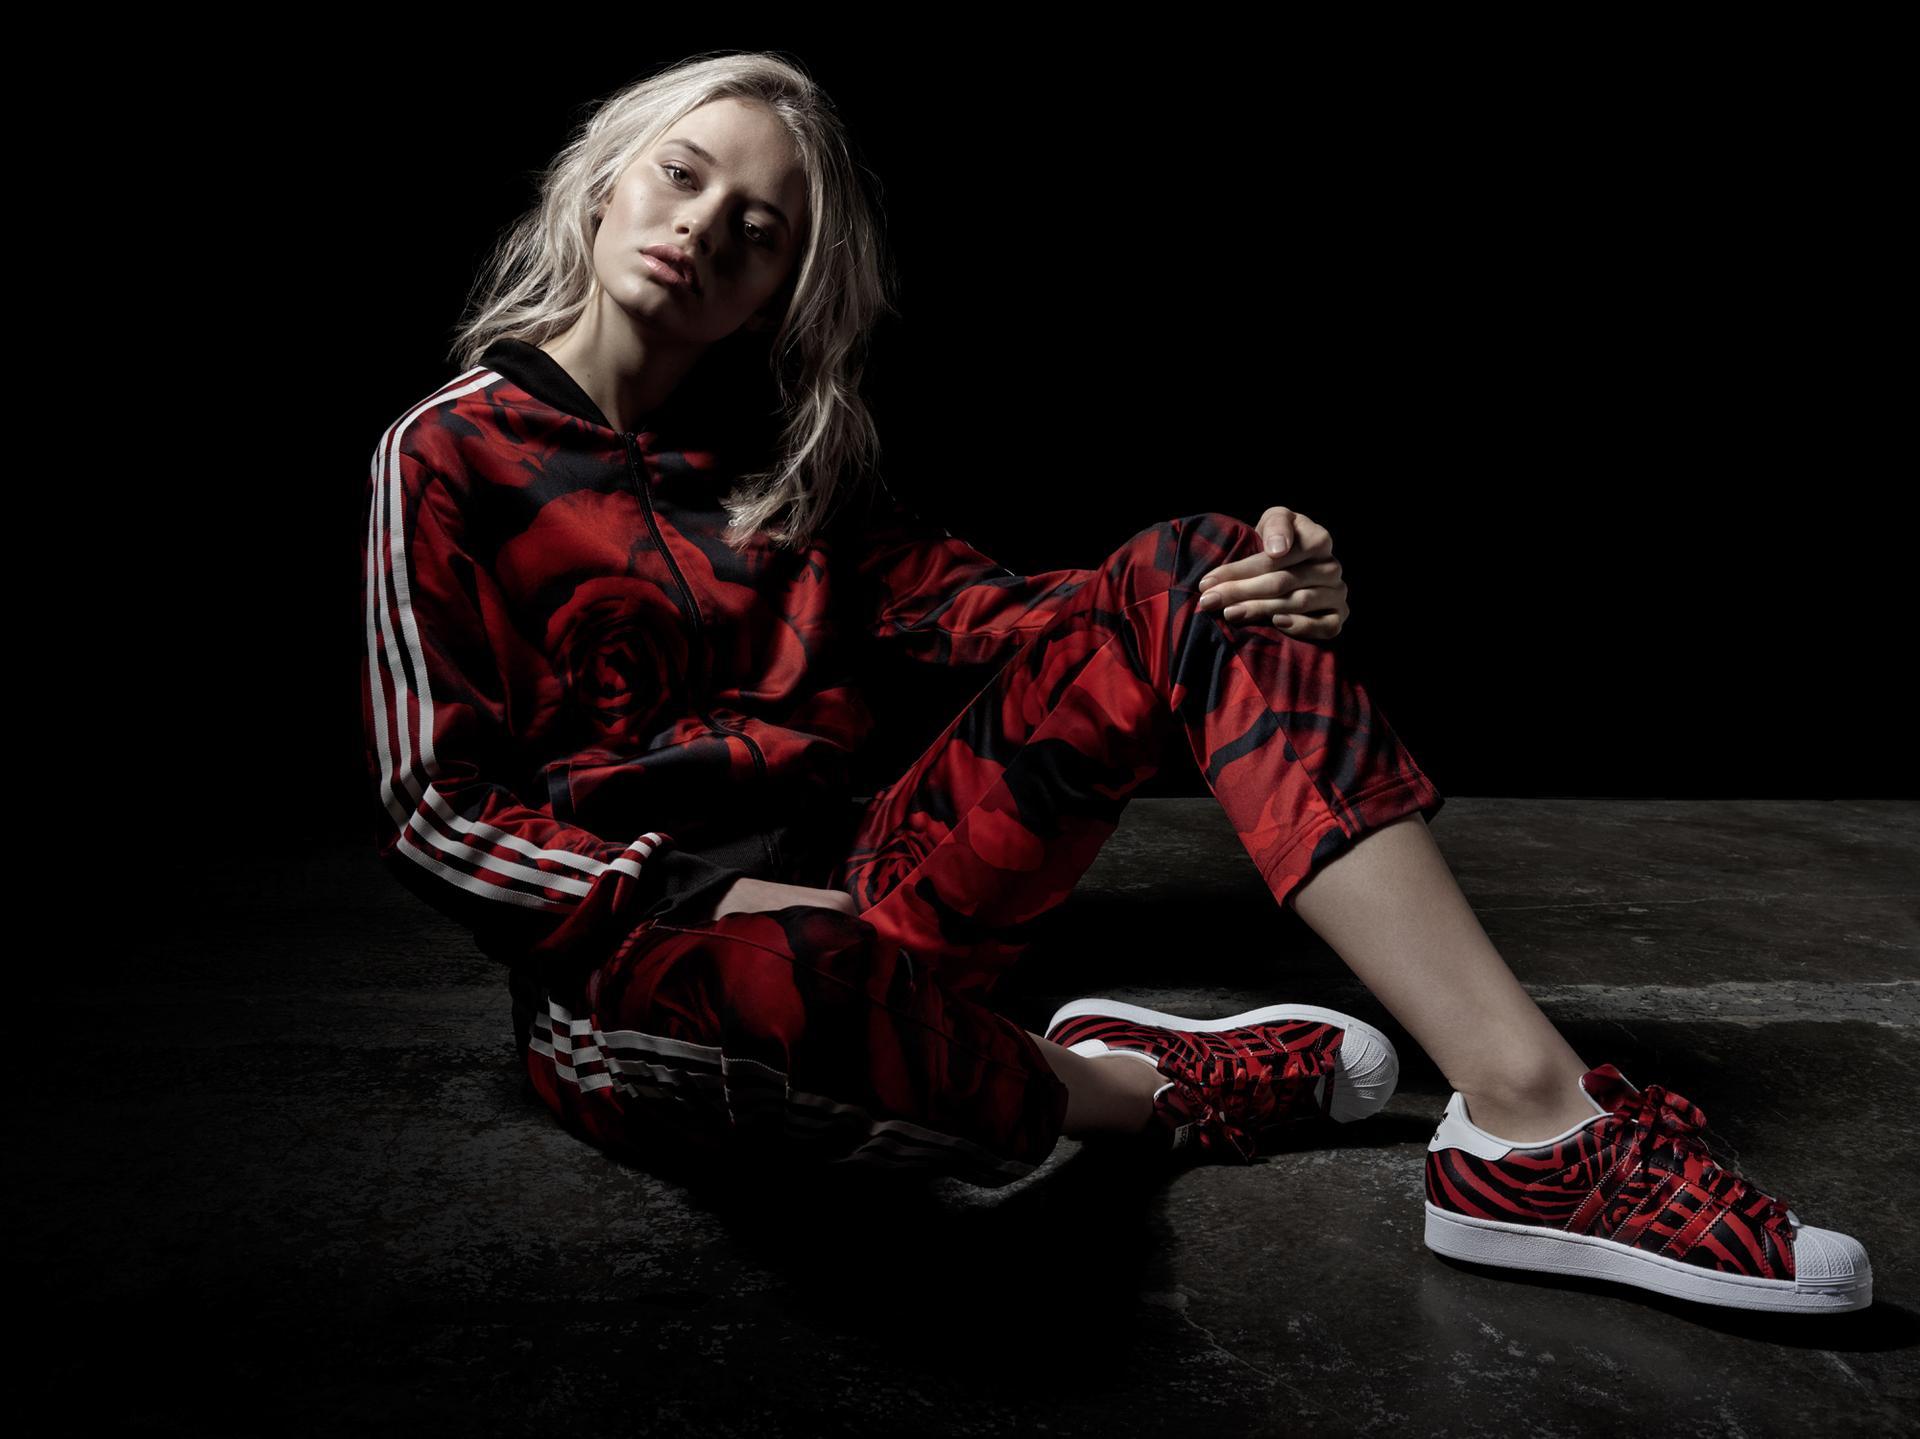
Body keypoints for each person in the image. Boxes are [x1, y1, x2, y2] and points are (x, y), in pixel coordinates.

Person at [359, 51, 1871, 1314]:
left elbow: (999, 617)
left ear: (773, 296)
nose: (704, 228)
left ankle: (1532, 1123)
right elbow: (436, 813)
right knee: (787, 991)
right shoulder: (446, 453)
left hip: (883, 898)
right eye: (683, 176)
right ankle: (1129, 1089)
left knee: (1198, 570)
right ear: (605, 181)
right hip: (650, 963)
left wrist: (1238, 594)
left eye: (758, 230)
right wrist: (699, 895)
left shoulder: (784, 468)